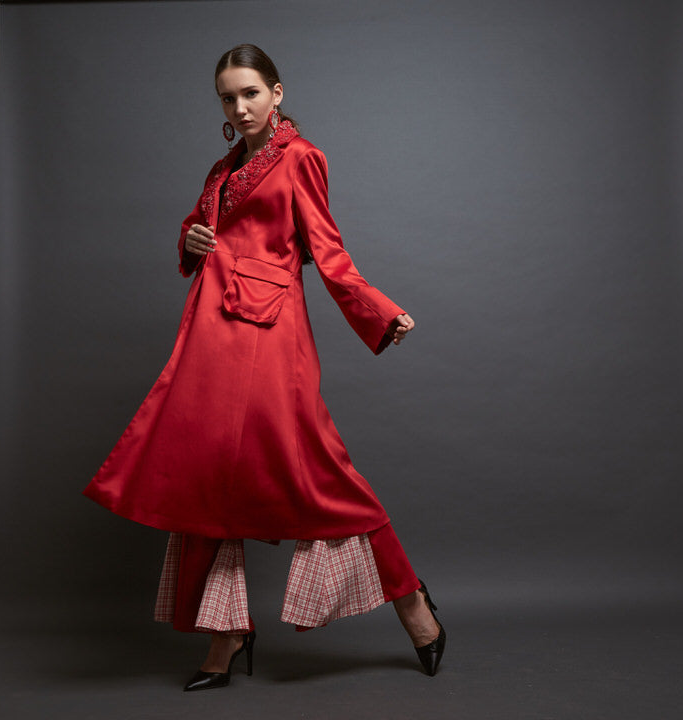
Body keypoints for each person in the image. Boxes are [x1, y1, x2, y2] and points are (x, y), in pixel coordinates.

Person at [82, 43, 445, 690]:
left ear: (277, 93)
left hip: (271, 333)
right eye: (228, 97)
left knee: (321, 474)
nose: (240, 107)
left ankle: (413, 604)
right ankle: (225, 638)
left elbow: (328, 251)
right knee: (207, 478)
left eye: (251, 92)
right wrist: (192, 238)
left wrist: (378, 311)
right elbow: (203, 232)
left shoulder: (301, 158)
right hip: (211, 335)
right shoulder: (223, 167)